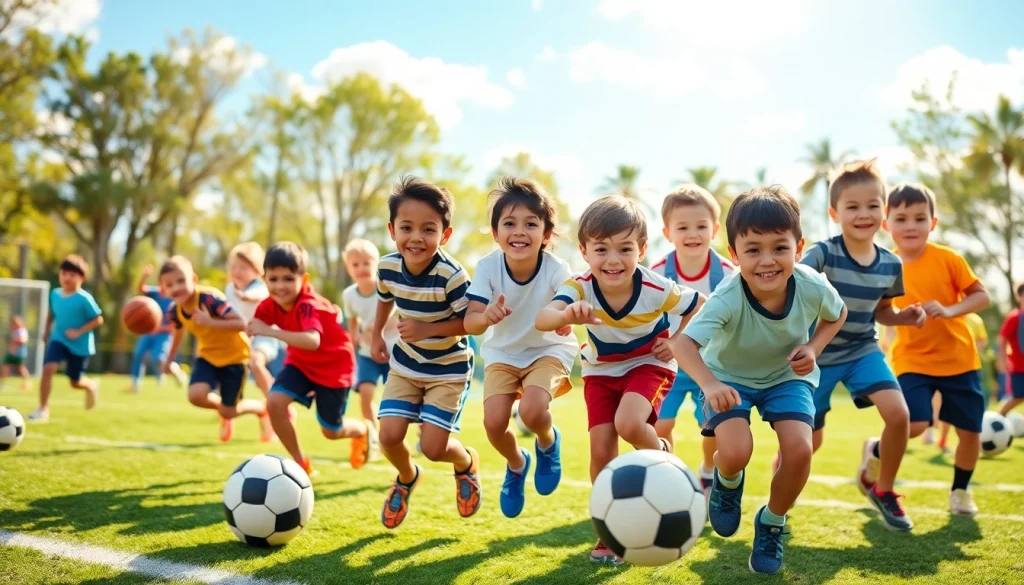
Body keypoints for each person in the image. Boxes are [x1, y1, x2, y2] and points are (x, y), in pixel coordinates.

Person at [671, 186, 847, 574]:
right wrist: (710, 385)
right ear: (734, 255)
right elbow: (682, 344)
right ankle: (727, 483)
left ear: (798, 247)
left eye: (779, 248)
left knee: (800, 451)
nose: (767, 261)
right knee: (735, 452)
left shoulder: (812, 285)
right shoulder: (727, 296)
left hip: (786, 378)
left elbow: (838, 313)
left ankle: (772, 522)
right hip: (728, 379)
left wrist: (814, 348)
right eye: (753, 250)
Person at [536, 195, 704, 564]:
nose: (613, 260)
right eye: (601, 249)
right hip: (599, 371)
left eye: (625, 248)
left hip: (649, 364)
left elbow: (701, 306)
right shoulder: (579, 287)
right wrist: (568, 312)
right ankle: (609, 532)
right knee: (600, 452)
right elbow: (543, 319)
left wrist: (676, 341)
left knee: (629, 423)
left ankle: (661, 455)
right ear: (584, 251)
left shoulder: (657, 288)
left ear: (642, 249)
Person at [795, 159, 921, 532]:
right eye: (852, 206)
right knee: (806, 443)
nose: (863, 214)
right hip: (815, 358)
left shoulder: (890, 264)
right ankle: (778, 501)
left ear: (884, 212)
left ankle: (882, 488)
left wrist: (904, 317)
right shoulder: (822, 254)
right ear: (835, 213)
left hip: (863, 351)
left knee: (899, 415)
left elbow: (883, 312)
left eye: (872, 205)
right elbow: (794, 287)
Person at [463, 177, 578, 518]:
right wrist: (486, 315)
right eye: (509, 223)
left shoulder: (557, 268)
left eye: (531, 224)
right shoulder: (487, 267)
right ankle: (517, 464)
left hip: (548, 349)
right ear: (496, 232)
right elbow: (470, 322)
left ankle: (547, 440)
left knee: (531, 412)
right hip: (503, 353)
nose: (519, 232)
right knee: (494, 424)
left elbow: (567, 299)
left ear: (546, 233)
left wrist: (566, 314)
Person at [370, 177, 481, 529]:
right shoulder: (387, 267)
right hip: (405, 364)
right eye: (407, 227)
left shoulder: (452, 275)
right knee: (388, 436)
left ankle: (465, 463)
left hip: (448, 368)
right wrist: (376, 335)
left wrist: (426, 330)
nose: (416, 237)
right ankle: (406, 476)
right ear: (392, 230)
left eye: (428, 229)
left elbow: (471, 323)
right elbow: (385, 299)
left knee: (434, 448)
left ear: (444, 235)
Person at [885, 183, 991, 516]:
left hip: (959, 360)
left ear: (933, 222)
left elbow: (982, 296)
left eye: (919, 218)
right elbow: (879, 310)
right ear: (886, 223)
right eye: (901, 218)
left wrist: (949, 310)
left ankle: (960, 491)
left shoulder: (948, 258)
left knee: (970, 432)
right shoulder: (884, 265)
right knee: (914, 425)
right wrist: (902, 318)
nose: (911, 226)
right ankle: (876, 453)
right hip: (911, 359)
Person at [250, 242, 371, 478]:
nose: (280, 286)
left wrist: (271, 332)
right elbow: (253, 325)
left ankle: (362, 430)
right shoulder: (268, 305)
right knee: (274, 402)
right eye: (273, 279)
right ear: (265, 279)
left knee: (331, 430)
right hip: (300, 363)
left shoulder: (307, 305)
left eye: (287, 279)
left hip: (334, 367)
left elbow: (312, 340)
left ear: (303, 280)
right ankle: (300, 462)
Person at [650, 183, 735, 497]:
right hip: (668, 364)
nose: (692, 233)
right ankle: (668, 475)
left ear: (714, 230)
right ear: (667, 232)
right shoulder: (657, 273)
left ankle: (708, 471)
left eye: (701, 226)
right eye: (682, 227)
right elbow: (646, 316)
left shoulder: (728, 274)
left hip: (709, 365)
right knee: (659, 425)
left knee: (712, 427)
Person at [158, 256, 273, 442]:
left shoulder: (209, 299)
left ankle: (260, 409)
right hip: (207, 356)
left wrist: (209, 321)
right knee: (196, 396)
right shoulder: (174, 311)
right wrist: (169, 360)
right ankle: (226, 409)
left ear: (193, 279)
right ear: (163, 289)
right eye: (169, 285)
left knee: (229, 412)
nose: (176, 288)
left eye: (181, 281)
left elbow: (241, 323)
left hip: (235, 357)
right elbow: (178, 334)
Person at [28, 255, 104, 422]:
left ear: (81, 278)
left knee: (75, 382)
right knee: (48, 368)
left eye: (72, 275)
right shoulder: (55, 294)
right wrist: (46, 331)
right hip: (59, 339)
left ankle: (90, 385)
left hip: (80, 345)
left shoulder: (84, 299)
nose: (67, 278)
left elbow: (98, 319)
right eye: (64, 274)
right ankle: (42, 409)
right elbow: (51, 314)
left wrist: (79, 331)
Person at [342, 238, 399, 457]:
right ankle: (373, 437)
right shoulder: (349, 295)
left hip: (392, 349)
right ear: (348, 268)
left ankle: (420, 428)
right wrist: (353, 337)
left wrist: (380, 327)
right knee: (365, 394)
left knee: (396, 398)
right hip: (367, 353)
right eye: (355, 264)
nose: (361, 268)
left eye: (366, 263)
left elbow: (398, 312)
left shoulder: (386, 287)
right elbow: (352, 319)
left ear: (376, 264)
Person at [225, 242, 278, 397]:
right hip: (242, 336)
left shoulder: (259, 286)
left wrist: (246, 297)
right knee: (233, 370)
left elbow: (259, 296)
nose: (237, 272)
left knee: (256, 363)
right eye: (234, 267)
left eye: (243, 268)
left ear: (256, 270)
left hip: (264, 335)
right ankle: (231, 406)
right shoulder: (230, 288)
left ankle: (275, 399)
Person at [127, 264, 186, 393]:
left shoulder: (173, 299)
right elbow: (140, 289)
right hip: (148, 332)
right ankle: (136, 383)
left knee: (158, 358)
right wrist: (144, 276)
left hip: (164, 334)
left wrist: (160, 328)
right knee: (138, 354)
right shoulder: (153, 293)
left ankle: (175, 373)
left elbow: (176, 325)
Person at [997, 282, 1024, 417]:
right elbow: (1001, 340)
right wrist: (1002, 360)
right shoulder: (1014, 317)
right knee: (1018, 396)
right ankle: (999, 416)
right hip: (1019, 366)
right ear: (1019, 297)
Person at [2, 316, 31, 390]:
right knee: (6, 366)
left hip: (19, 353)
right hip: (12, 352)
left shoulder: (21, 331)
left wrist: (14, 341)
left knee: (20, 368)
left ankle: (27, 383)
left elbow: (23, 340)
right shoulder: (14, 331)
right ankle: (2, 382)